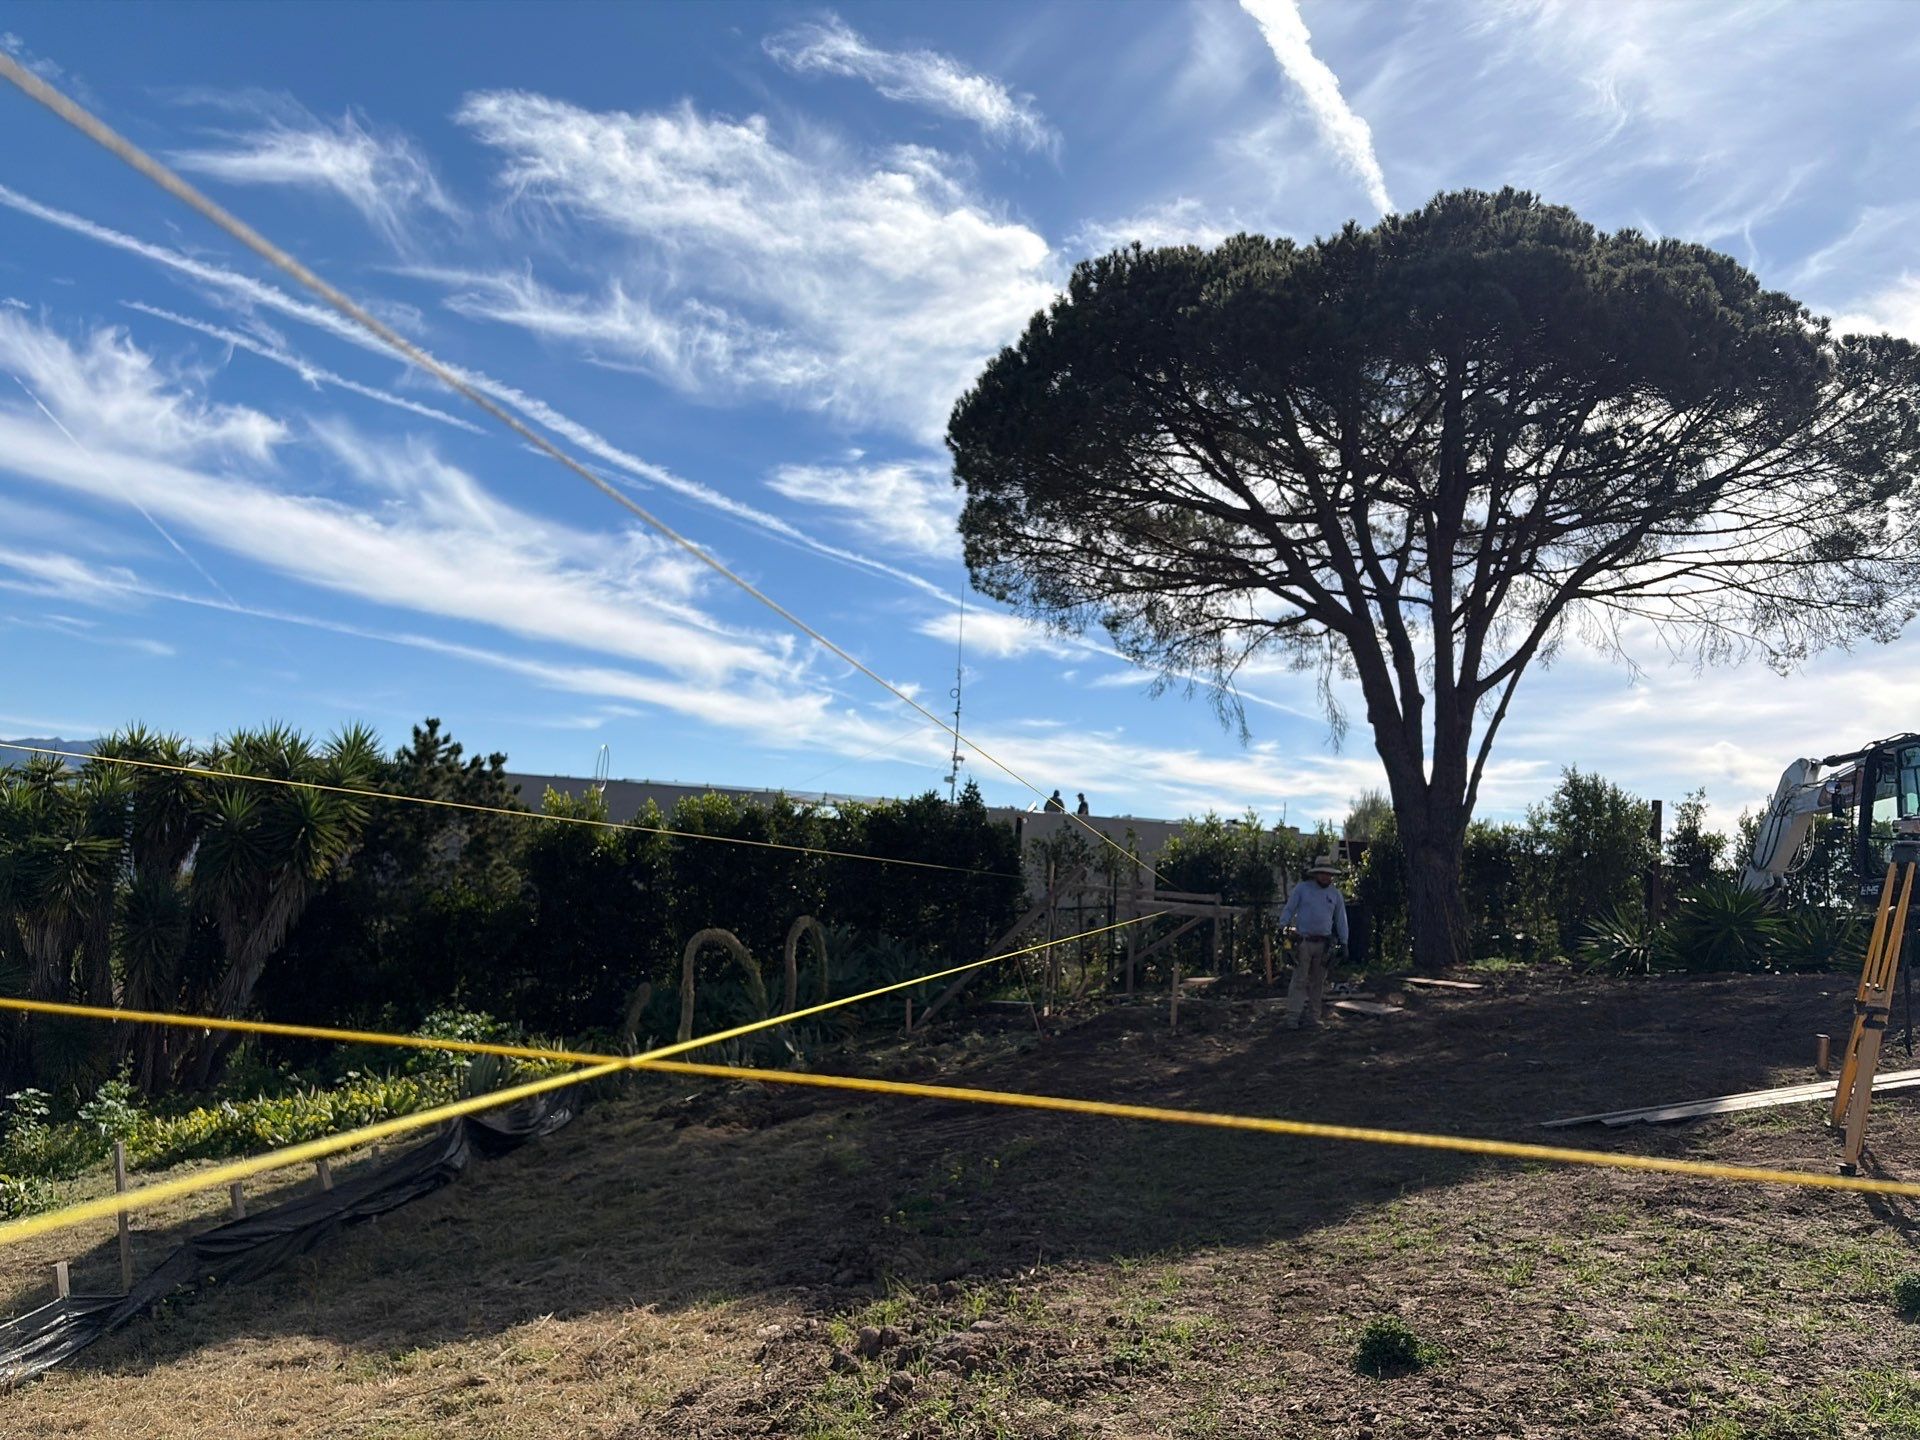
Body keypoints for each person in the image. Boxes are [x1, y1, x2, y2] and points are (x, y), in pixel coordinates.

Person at [1277, 856, 1348, 1030]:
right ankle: (1293, 1016)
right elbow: (1289, 908)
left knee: (1318, 981)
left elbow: (1341, 919)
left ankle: (1313, 1017)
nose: (1325, 877)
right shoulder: (1302, 889)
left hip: (1324, 943)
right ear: (1316, 874)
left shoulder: (1335, 894)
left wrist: (1344, 942)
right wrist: (1282, 928)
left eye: (1328, 874)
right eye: (1322, 873)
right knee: (1299, 979)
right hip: (1303, 940)